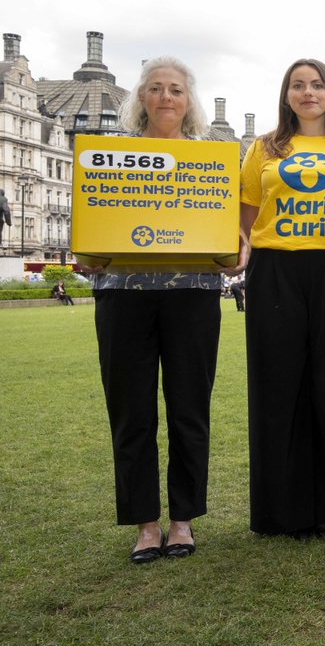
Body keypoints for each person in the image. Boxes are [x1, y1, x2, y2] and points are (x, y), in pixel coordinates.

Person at [91, 57, 227, 562]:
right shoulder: (112, 154)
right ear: (140, 98)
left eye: (175, 89)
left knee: (190, 409)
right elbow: (94, 228)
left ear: (188, 99)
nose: (166, 97)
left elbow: (229, 234)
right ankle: (146, 524)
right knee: (132, 412)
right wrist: (89, 251)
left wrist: (231, 249)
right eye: (155, 88)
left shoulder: (210, 159)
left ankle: (182, 520)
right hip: (123, 294)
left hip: (192, 292)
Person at [239, 58, 325, 537]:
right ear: (286, 95)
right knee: (277, 389)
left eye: (316, 85)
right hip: (277, 270)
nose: (307, 92)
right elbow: (247, 220)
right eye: (298, 85)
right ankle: (279, 512)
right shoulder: (263, 149)